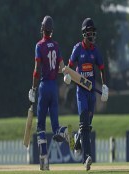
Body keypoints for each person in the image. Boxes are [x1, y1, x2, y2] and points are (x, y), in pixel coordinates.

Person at [28, 16, 73, 171]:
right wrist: (66, 74)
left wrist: (33, 89)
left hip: (44, 85)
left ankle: (44, 160)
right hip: (54, 87)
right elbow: (61, 68)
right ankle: (66, 132)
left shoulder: (39, 46)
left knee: (40, 126)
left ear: (42, 29)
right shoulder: (56, 45)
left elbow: (36, 71)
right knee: (55, 127)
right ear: (52, 30)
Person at [63, 18, 108, 171]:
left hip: (91, 94)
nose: (92, 34)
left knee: (87, 125)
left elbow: (101, 68)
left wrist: (105, 86)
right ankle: (87, 157)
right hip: (81, 91)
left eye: (93, 32)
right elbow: (68, 67)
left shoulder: (95, 50)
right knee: (84, 124)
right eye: (89, 32)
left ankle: (77, 139)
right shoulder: (77, 49)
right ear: (83, 33)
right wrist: (67, 76)